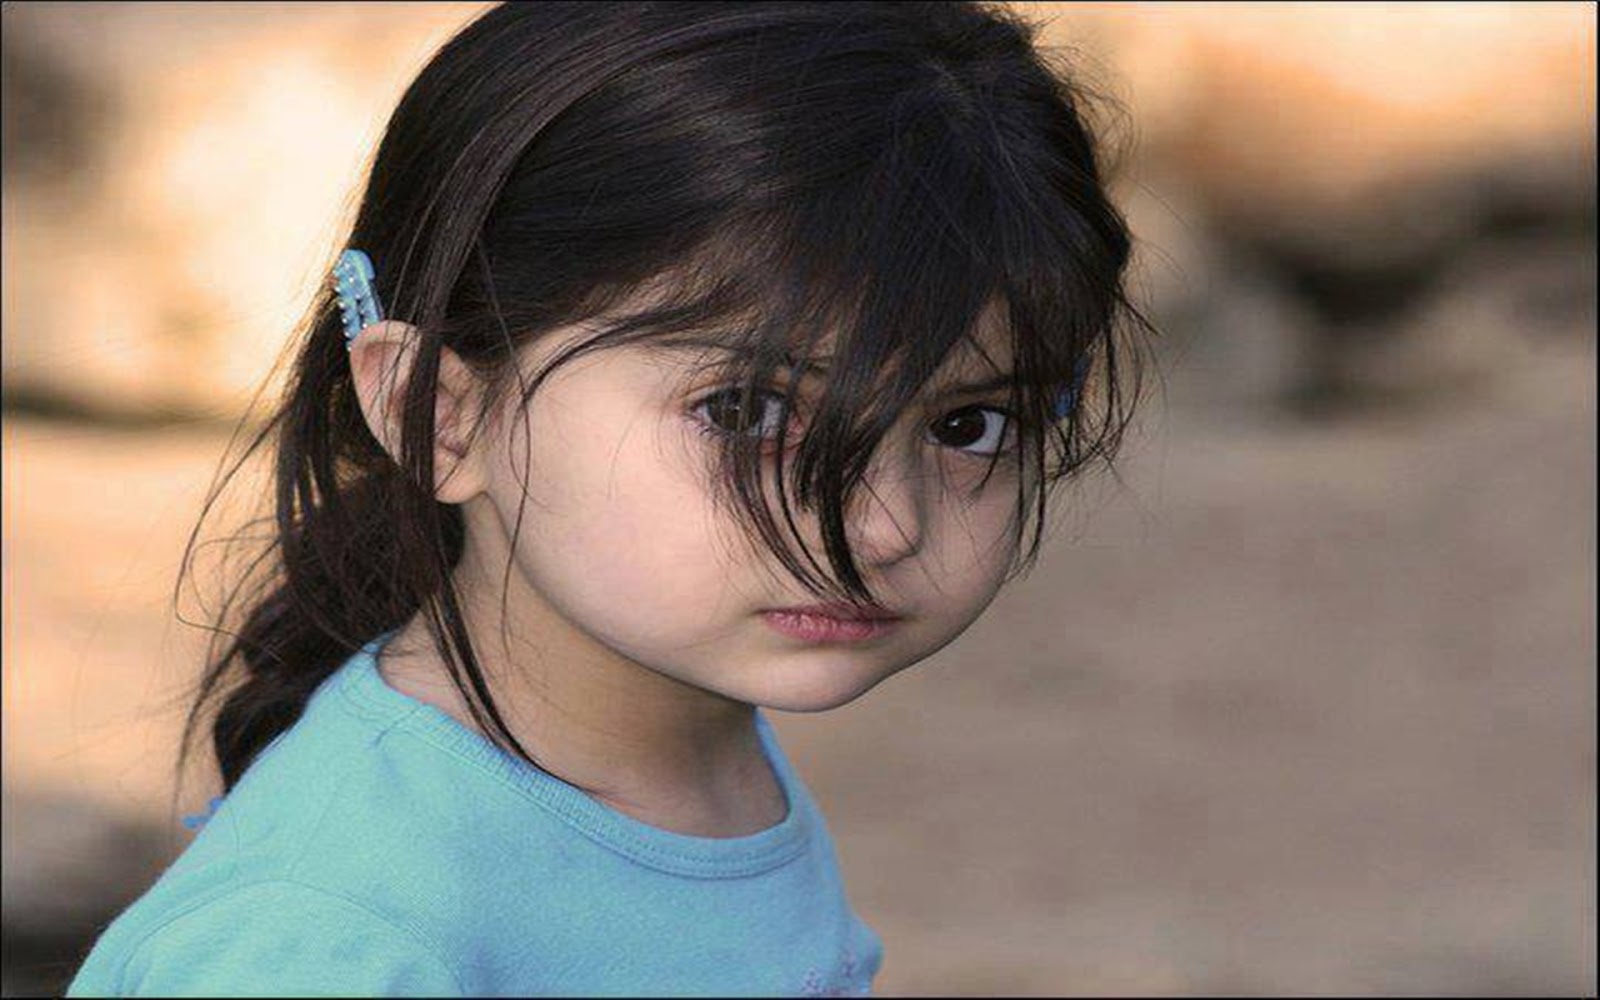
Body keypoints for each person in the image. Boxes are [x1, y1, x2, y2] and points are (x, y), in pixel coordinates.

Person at [66, 1, 1149, 995]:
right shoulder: (323, 936)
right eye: (744, 411)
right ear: (436, 414)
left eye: (968, 425)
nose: (882, 523)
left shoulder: (686, 747)